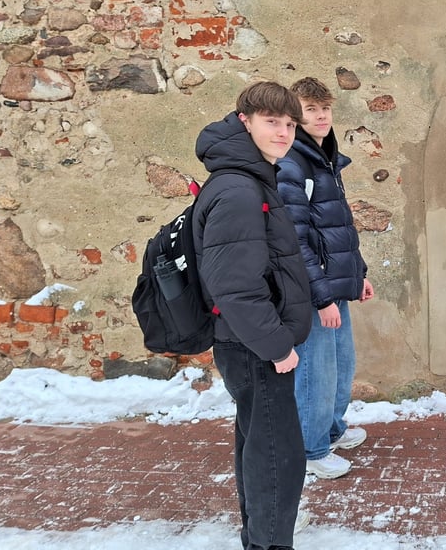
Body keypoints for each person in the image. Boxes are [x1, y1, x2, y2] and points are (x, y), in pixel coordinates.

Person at [193, 80, 313, 549]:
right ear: (244, 121)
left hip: (249, 343)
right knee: (277, 457)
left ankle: (259, 538)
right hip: (253, 347)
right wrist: (277, 345)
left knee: (259, 447)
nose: (283, 133)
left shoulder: (250, 177)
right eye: (272, 122)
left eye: (288, 124)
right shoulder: (240, 189)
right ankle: (268, 543)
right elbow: (236, 286)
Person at [275, 77, 375, 480]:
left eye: (325, 109)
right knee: (317, 370)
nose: (320, 116)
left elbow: (338, 226)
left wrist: (359, 274)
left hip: (335, 283)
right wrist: (320, 298)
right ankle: (311, 448)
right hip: (314, 290)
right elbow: (295, 237)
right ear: (295, 117)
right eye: (310, 110)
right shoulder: (292, 164)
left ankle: (331, 430)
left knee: (341, 365)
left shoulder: (325, 159)